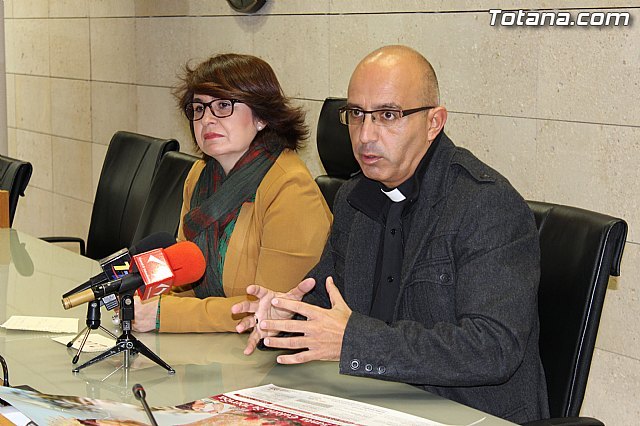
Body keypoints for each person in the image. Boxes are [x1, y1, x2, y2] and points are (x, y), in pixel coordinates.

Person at [232, 45, 550, 423]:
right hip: (370, 405)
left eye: (388, 115)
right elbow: (326, 296)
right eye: (356, 114)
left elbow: (493, 348)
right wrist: (286, 316)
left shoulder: (485, 204)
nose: (366, 135)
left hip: (469, 415)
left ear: (434, 122)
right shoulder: (355, 197)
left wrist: (355, 342)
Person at [133, 53, 332, 333]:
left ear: (261, 116)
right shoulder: (200, 175)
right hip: (212, 343)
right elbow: (184, 271)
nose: (207, 119)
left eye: (223, 106)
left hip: (270, 350)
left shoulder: (291, 189)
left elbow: (271, 310)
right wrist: (141, 294)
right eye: (198, 108)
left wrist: (164, 315)